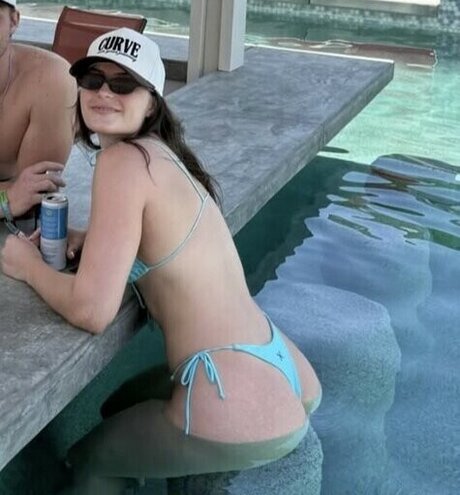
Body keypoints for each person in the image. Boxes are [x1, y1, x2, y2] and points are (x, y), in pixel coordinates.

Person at [1, 27, 321, 493]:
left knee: (89, 461)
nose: (104, 93)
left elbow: (91, 311)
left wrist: (24, 264)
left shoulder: (123, 163)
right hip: (277, 363)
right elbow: (157, 238)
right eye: (92, 80)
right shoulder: (161, 155)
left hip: (228, 391)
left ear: (152, 103)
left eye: (123, 84)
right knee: (118, 407)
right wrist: (90, 239)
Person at [0, 0, 76, 225]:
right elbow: (14, 198)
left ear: (14, 21)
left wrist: (13, 197)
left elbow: (32, 195)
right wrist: (7, 196)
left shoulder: (49, 79)